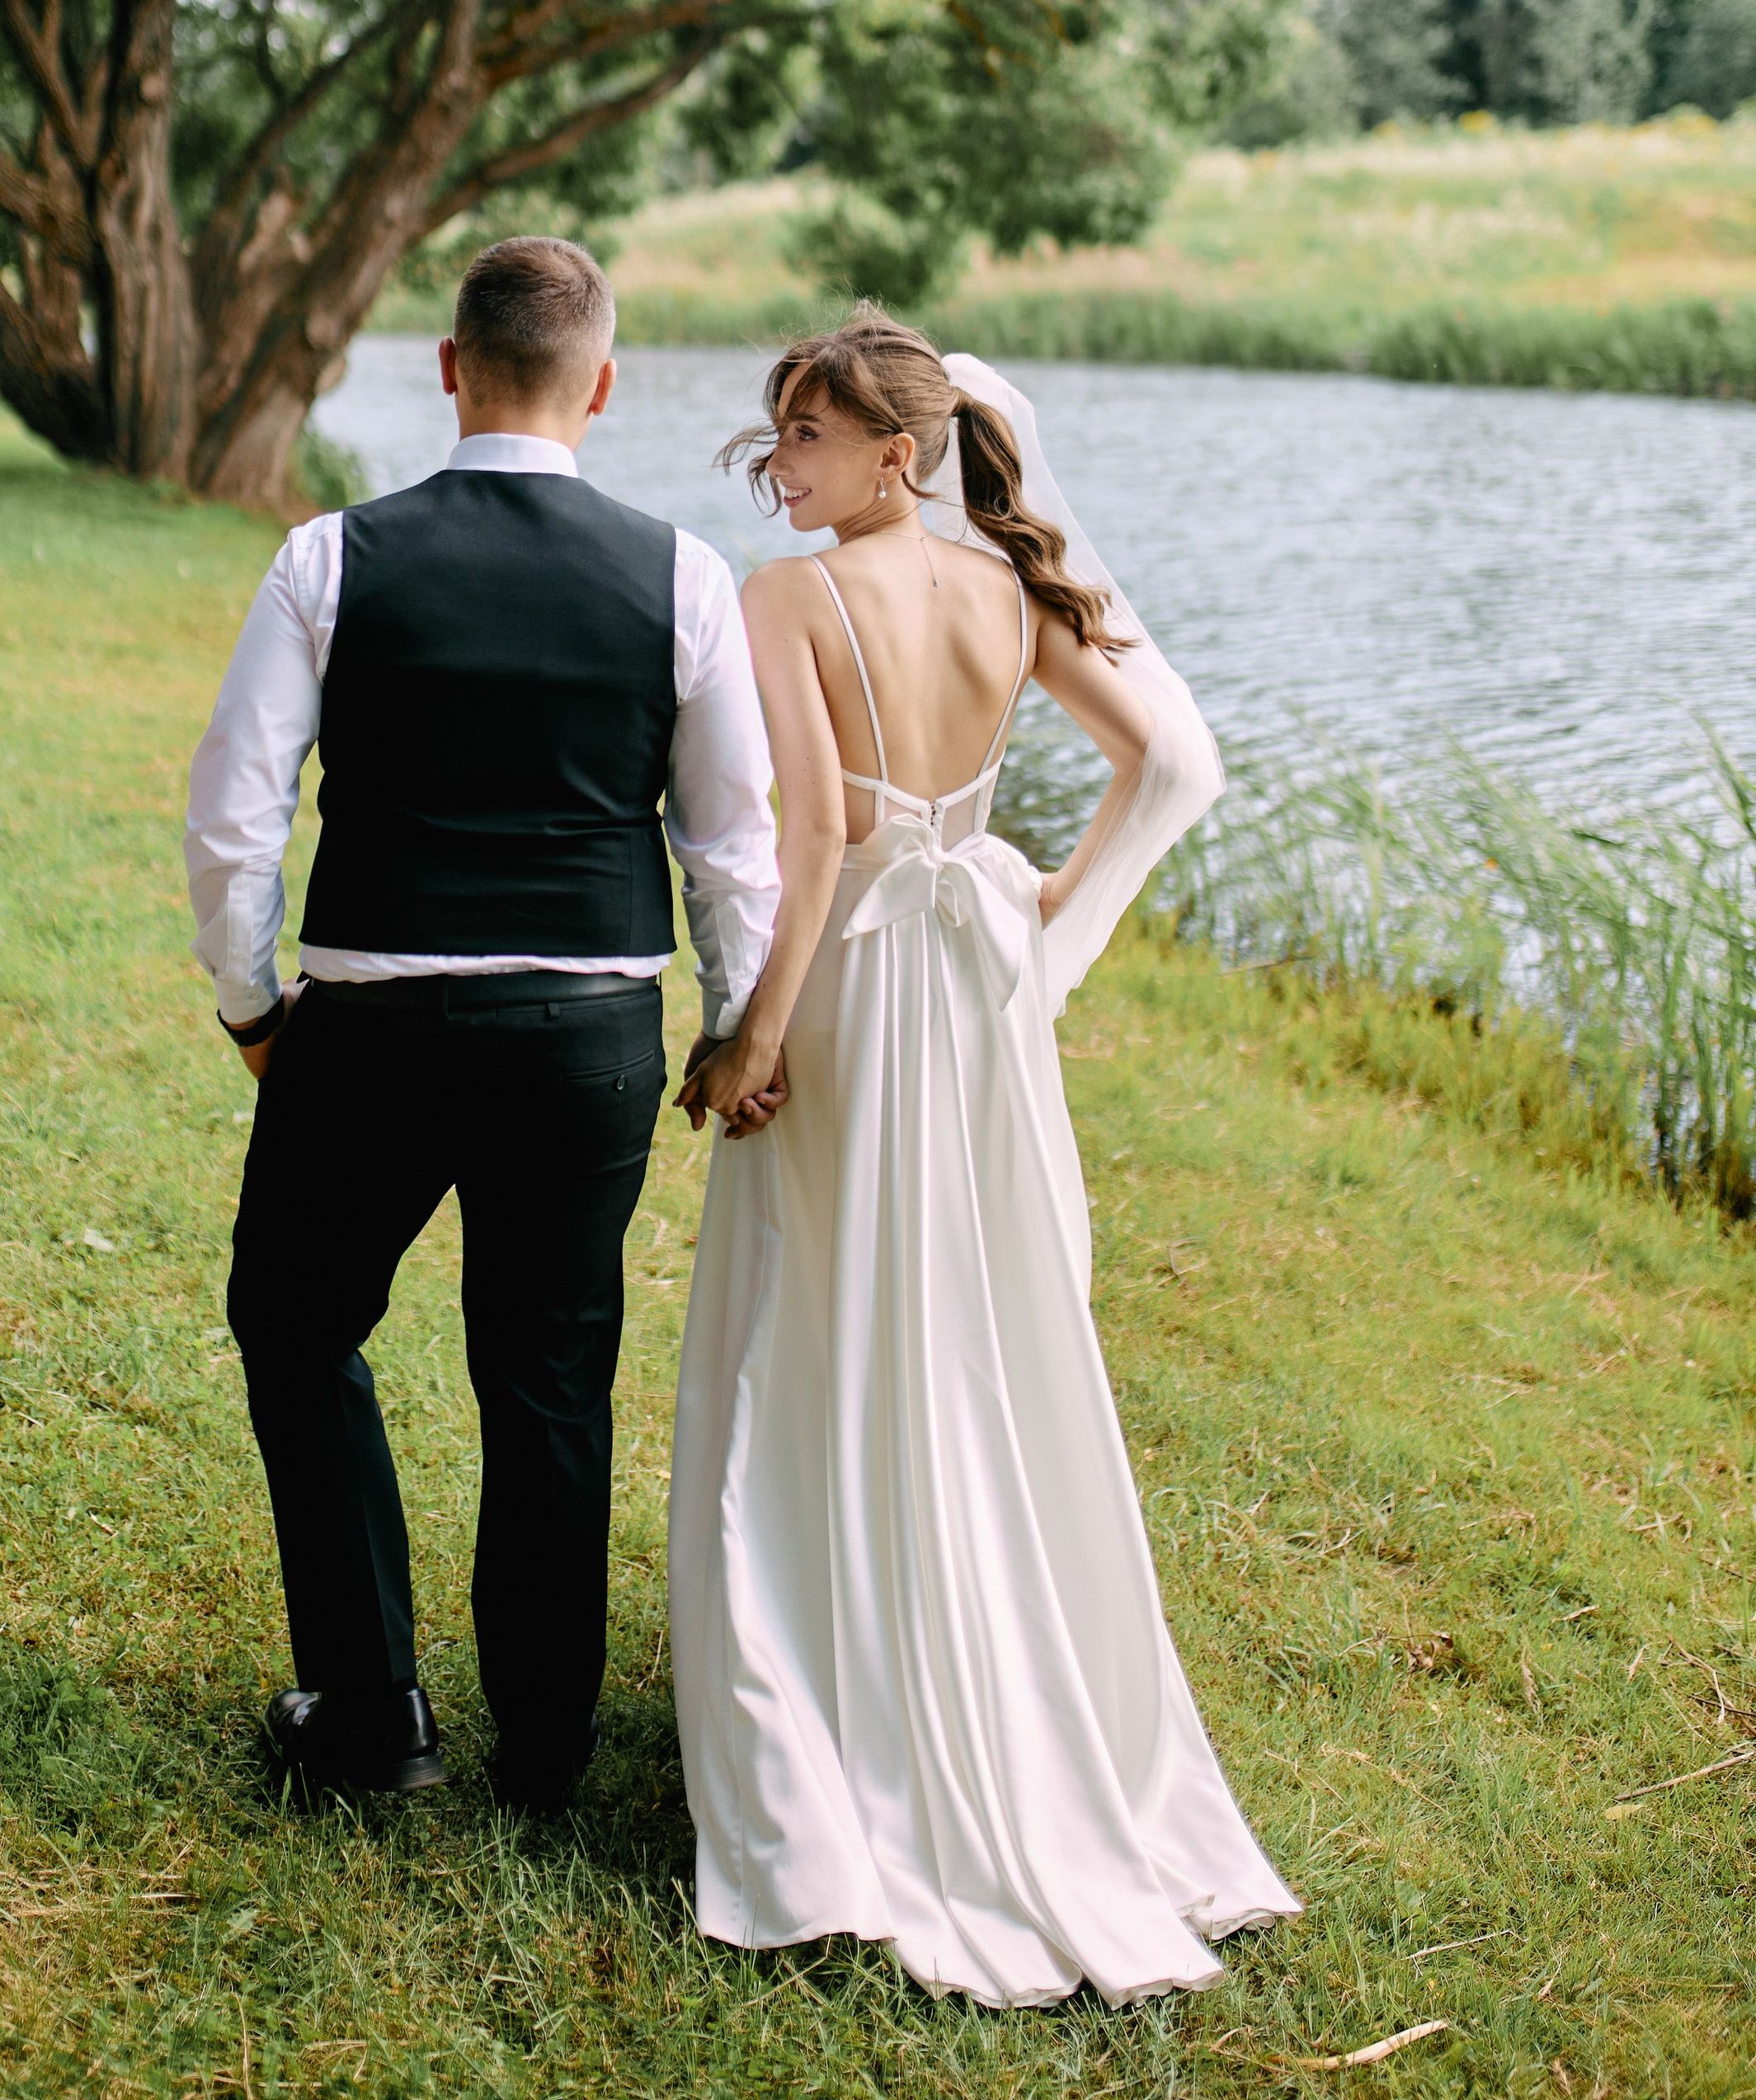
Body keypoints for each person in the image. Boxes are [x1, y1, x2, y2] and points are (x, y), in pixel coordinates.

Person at [668, 310, 1299, 2006]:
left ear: (899, 452)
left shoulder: (783, 599)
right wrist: (1049, 914)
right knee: (970, 1326)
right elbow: (1164, 760)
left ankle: (836, 1722)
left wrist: (751, 1037)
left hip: (865, 985)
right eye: (773, 431)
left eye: (806, 436)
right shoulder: (1008, 594)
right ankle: (979, 1686)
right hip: (973, 992)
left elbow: (809, 844)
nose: (774, 462)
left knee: (813, 1322)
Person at [186, 237, 779, 1809]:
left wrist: (254, 1005)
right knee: (548, 1379)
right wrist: (734, 1021)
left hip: (369, 1030)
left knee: (298, 1325)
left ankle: (372, 1714)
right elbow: (731, 844)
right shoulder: (683, 576)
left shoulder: (330, 557)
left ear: (450, 368)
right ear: (603, 383)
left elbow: (236, 819)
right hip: (586, 1041)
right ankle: (544, 1751)